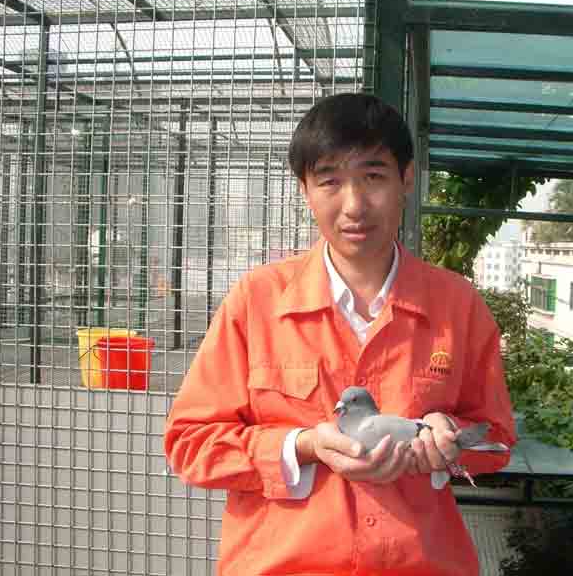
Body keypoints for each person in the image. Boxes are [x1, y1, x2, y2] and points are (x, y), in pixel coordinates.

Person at [164, 92, 517, 576]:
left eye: (373, 177)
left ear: (406, 179)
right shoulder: (257, 300)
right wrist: (303, 445)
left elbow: (497, 438)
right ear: (305, 190)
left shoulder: (458, 306)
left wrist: (448, 437)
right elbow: (191, 443)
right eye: (330, 181)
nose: (354, 206)